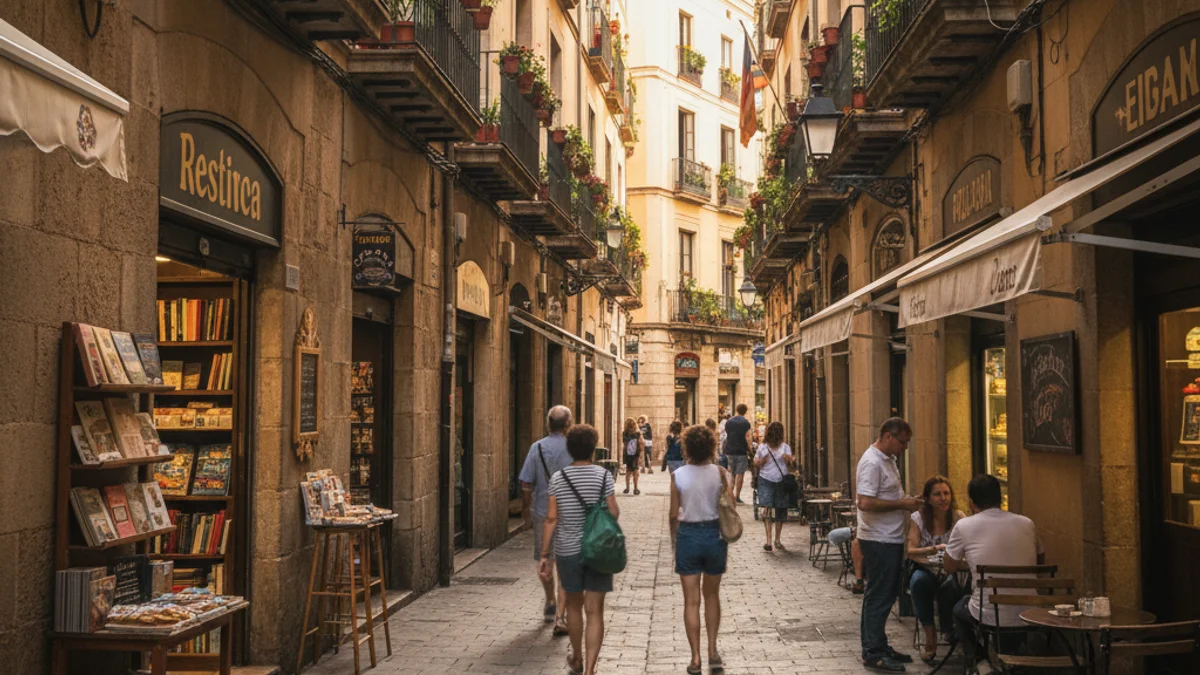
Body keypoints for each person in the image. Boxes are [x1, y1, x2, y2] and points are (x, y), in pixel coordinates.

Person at [539, 424, 620, 675]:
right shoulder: (604, 477)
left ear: (570, 449)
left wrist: (544, 555)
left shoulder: (558, 478)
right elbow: (614, 512)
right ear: (593, 449)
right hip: (598, 550)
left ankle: (577, 657)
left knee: (574, 606)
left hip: (568, 551)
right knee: (595, 611)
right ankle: (591, 670)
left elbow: (551, 519)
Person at [943, 474, 1044, 669]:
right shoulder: (1027, 523)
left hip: (989, 613)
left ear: (972, 503)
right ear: (1000, 498)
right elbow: (1040, 562)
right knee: (1007, 607)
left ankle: (981, 663)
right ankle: (1010, 660)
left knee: (959, 609)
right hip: (1029, 610)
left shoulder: (964, 525)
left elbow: (949, 567)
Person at [855, 417, 922, 673]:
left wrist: (905, 500)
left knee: (881, 595)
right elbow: (865, 503)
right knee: (880, 597)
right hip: (878, 539)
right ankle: (874, 653)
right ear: (887, 437)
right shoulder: (872, 462)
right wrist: (902, 504)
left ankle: (878, 645)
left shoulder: (889, 460)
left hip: (889, 537)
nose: (905, 447)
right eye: (903, 442)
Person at [670, 424, 732, 675]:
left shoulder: (678, 475)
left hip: (689, 534)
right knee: (712, 596)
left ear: (687, 447)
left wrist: (675, 541)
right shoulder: (720, 473)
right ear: (711, 446)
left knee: (691, 601)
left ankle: (695, 657)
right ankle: (712, 651)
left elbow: (674, 514)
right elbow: (730, 506)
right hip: (715, 535)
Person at [518, 405, 574, 634]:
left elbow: (525, 483)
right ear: (568, 425)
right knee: (566, 563)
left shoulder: (537, 448)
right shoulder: (574, 448)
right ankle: (562, 615)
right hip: (570, 514)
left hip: (542, 513)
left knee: (545, 560)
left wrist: (526, 509)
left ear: (548, 424)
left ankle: (550, 598)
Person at [906, 475, 967, 665]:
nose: (943, 498)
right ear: (928, 498)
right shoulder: (919, 518)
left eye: (947, 493)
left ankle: (948, 629)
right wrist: (934, 548)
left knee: (950, 586)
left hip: (952, 570)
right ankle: (930, 636)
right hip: (927, 568)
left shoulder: (959, 518)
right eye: (938, 494)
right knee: (918, 582)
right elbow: (910, 551)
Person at [753, 421, 794, 552]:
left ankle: (773, 540)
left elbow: (791, 464)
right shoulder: (763, 447)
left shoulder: (784, 448)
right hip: (767, 480)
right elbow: (756, 462)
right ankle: (772, 540)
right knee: (770, 509)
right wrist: (762, 460)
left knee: (777, 509)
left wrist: (789, 459)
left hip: (778, 480)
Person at [722, 404, 753, 503]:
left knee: (731, 473)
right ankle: (737, 496)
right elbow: (748, 438)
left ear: (736, 410)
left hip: (730, 450)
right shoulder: (746, 423)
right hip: (741, 451)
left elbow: (726, 435)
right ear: (745, 411)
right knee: (740, 474)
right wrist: (750, 450)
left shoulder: (729, 422)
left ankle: (730, 494)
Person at [621, 418, 642, 495]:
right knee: (635, 472)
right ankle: (636, 488)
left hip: (627, 454)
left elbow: (624, 442)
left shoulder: (624, 433)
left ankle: (627, 488)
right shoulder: (637, 434)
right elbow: (640, 444)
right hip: (635, 455)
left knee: (628, 471)